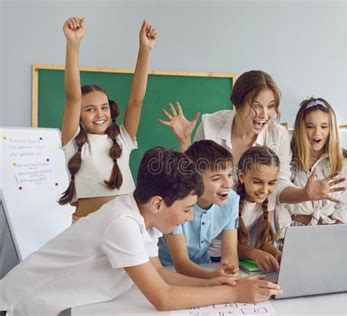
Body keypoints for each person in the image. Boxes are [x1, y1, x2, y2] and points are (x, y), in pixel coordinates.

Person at [0, 147, 282, 315]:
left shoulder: (144, 218)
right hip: (17, 308)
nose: (187, 219)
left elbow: (159, 273)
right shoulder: (121, 223)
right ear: (158, 203)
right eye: (185, 210)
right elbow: (163, 298)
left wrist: (212, 283)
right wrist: (235, 294)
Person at [158, 70, 345, 207]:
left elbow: (279, 186)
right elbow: (193, 178)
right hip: (212, 227)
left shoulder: (277, 135)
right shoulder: (210, 125)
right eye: (256, 106)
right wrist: (184, 142)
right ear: (238, 103)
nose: (264, 114)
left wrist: (305, 193)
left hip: (257, 228)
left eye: (271, 106)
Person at [59, 17, 156, 222]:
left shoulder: (122, 138)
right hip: (86, 224)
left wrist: (145, 50)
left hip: (127, 222)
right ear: (78, 115)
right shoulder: (72, 141)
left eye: (104, 108)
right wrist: (73, 44)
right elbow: (73, 95)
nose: (100, 114)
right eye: (90, 110)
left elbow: (136, 100)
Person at [158, 140, 240, 279]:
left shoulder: (231, 200)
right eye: (216, 178)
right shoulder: (176, 202)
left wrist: (230, 271)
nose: (228, 184)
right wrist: (215, 278)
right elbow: (181, 262)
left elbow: (230, 250)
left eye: (230, 175)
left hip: (205, 266)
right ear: (194, 179)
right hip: (168, 270)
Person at [284, 97, 347, 226]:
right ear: (301, 128)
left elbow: (345, 205)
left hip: (330, 229)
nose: (317, 133)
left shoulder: (343, 161)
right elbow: (280, 202)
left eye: (324, 126)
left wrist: (334, 231)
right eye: (310, 126)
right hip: (294, 229)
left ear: (331, 129)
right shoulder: (287, 156)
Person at [236, 146, 282, 272]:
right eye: (257, 182)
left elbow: (264, 242)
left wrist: (276, 253)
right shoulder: (230, 199)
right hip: (215, 259)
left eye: (271, 183)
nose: (264, 190)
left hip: (240, 261)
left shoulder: (269, 197)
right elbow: (225, 247)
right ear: (241, 176)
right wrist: (254, 254)